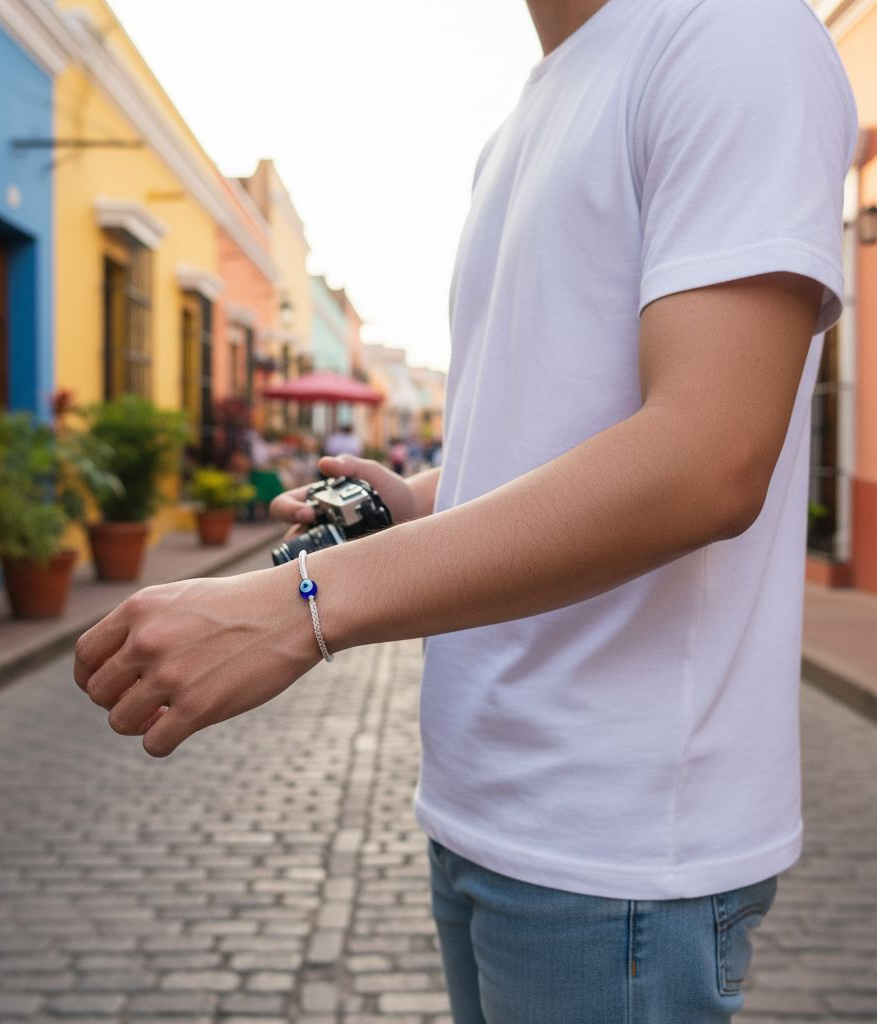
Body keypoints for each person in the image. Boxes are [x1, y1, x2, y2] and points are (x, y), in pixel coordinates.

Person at [73, 1, 856, 1020]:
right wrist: (419, 498)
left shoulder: (729, 33)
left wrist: (302, 601)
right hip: (482, 806)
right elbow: (557, 433)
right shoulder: (535, 107)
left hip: (614, 850)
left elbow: (707, 457)